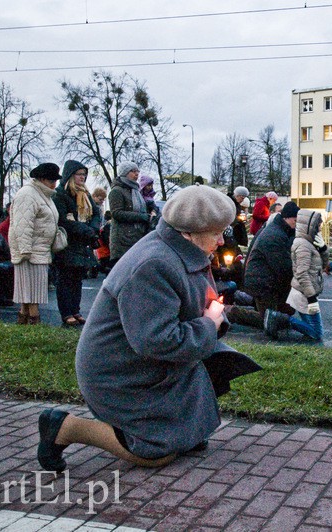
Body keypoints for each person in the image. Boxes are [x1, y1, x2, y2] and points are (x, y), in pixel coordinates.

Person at [36, 184, 260, 472]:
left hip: (145, 363)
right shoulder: (154, 264)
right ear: (189, 232)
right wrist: (208, 325)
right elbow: (157, 340)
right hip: (120, 374)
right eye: (216, 233)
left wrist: (213, 318)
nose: (220, 241)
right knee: (153, 453)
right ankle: (64, 428)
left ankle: (182, 431)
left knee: (181, 431)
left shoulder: (182, 251)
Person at [9, 163, 62, 325]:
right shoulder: (28, 194)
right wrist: (25, 250)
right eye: (51, 180)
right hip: (30, 249)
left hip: (40, 247)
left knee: (31, 288)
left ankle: (24, 318)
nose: (55, 184)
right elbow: (23, 224)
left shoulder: (42, 194)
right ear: (41, 179)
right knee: (31, 289)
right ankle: (34, 319)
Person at [264, 209, 329, 340]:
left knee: (313, 330)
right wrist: (311, 299)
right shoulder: (302, 244)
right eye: (318, 225)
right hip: (303, 294)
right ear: (310, 226)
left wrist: (323, 249)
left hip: (307, 292)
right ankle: (280, 319)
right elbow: (301, 273)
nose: (320, 228)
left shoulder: (310, 242)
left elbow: (323, 266)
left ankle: (280, 319)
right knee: (317, 333)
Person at [53, 161, 101, 327]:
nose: (83, 177)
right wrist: (85, 230)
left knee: (78, 279)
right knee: (65, 279)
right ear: (70, 175)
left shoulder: (85, 194)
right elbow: (63, 220)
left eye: (84, 174)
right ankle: (66, 312)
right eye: (79, 174)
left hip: (82, 243)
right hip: (68, 242)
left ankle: (75, 310)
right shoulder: (60, 194)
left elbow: (96, 213)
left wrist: (93, 228)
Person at [243, 201, 299, 318]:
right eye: (295, 221)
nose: (296, 224)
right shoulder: (275, 235)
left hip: (266, 281)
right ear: (287, 218)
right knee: (269, 320)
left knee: (281, 315)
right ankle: (234, 313)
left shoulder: (279, 230)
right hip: (263, 284)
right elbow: (282, 266)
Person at [108, 162, 155, 265]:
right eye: (133, 171)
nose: (136, 174)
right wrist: (142, 217)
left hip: (136, 237)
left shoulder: (136, 191)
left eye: (137, 171)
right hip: (123, 240)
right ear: (125, 173)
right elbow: (117, 213)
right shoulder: (116, 191)